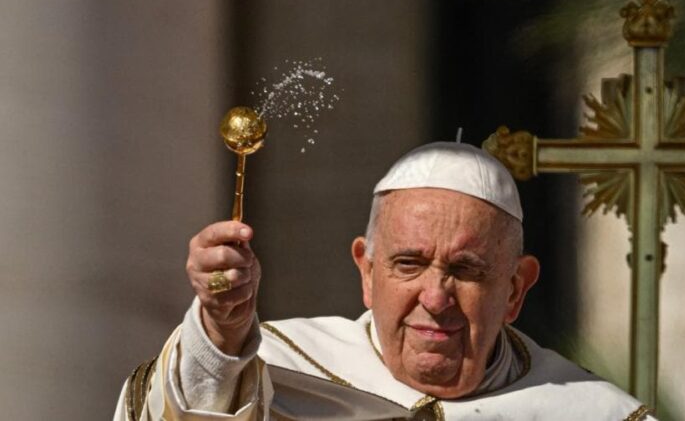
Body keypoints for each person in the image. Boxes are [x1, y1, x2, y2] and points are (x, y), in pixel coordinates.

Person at [114, 142, 655, 420]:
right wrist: (218, 333)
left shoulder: (592, 413)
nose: (436, 297)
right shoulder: (275, 368)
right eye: (408, 264)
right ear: (366, 271)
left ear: (515, 289)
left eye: (466, 270)